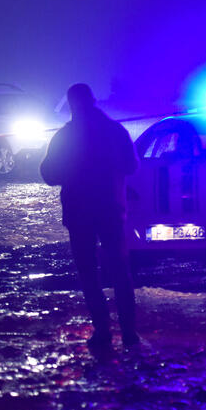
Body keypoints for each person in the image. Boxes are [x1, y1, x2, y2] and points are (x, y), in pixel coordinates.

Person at [40, 83, 139, 352]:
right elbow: (132, 165)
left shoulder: (64, 137)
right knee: (120, 271)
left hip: (79, 212)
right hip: (111, 209)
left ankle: (103, 331)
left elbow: (49, 174)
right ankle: (129, 332)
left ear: (71, 105)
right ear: (94, 101)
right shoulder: (116, 131)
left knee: (88, 274)